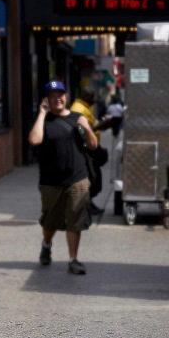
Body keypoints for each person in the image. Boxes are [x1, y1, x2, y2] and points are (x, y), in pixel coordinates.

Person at [29, 79, 98, 275]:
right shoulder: (45, 120)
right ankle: (46, 244)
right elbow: (34, 140)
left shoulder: (78, 117)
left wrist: (86, 127)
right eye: (53, 96)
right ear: (47, 100)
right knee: (50, 221)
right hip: (51, 181)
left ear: (66, 97)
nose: (58, 98)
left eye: (60, 95)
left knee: (75, 219)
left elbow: (93, 146)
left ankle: (73, 259)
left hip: (78, 177)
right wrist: (42, 113)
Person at [69, 86, 110, 214]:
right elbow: (81, 131)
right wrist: (100, 126)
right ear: (86, 96)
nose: (94, 100)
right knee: (91, 177)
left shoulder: (83, 107)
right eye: (92, 97)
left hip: (89, 148)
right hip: (85, 150)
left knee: (93, 176)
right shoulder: (79, 109)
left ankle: (87, 204)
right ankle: (85, 205)